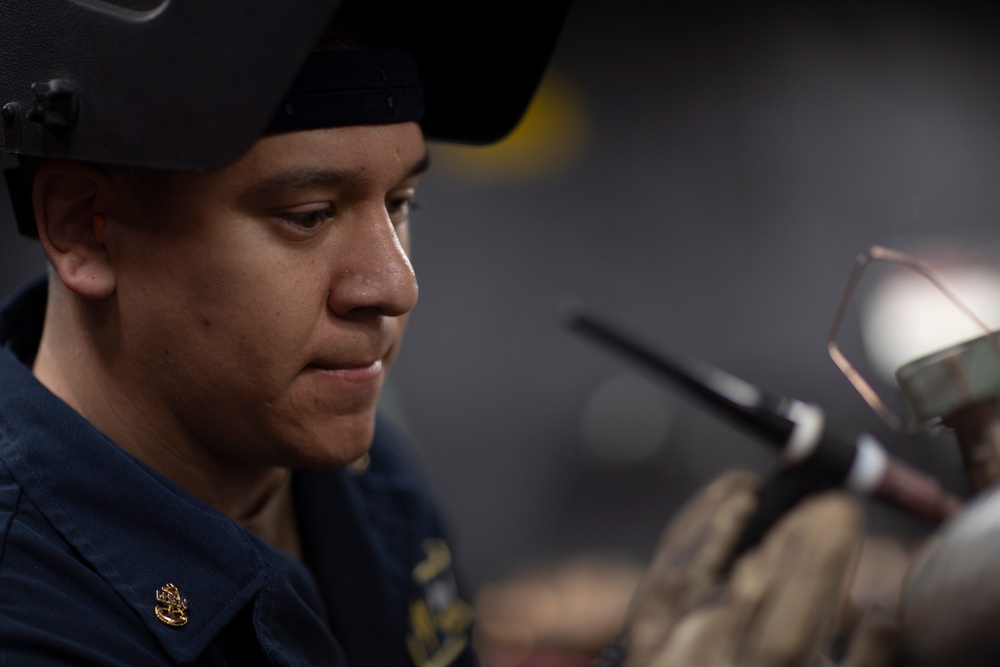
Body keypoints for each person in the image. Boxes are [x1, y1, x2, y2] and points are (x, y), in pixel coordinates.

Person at [0, 1, 911, 665]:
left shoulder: (363, 485)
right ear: (84, 227)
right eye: (310, 214)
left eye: (401, 203)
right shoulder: (30, 611)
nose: (394, 285)